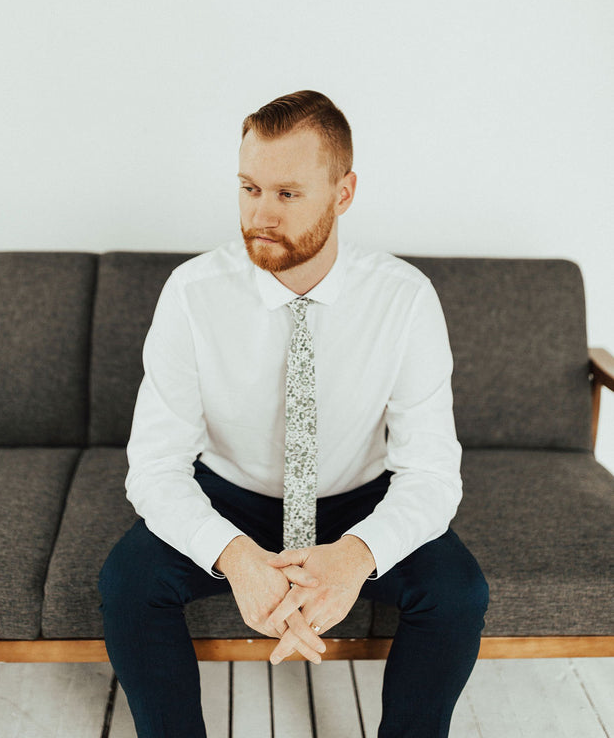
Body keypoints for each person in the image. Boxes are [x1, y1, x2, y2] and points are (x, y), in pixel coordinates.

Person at [99, 89, 488, 738]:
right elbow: (155, 466)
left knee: (456, 592)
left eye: (286, 194)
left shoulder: (404, 300)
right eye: (249, 188)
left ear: (343, 192)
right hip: (232, 495)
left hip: (354, 498)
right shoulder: (192, 294)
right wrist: (238, 559)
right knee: (127, 583)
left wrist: (358, 555)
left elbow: (430, 474)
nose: (260, 214)